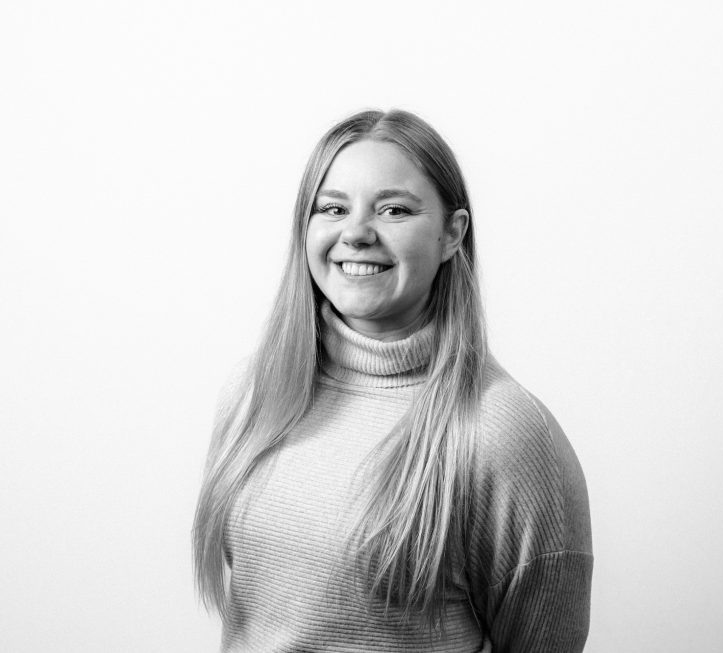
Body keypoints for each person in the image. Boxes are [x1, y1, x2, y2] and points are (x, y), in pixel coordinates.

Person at [192, 109, 593, 652]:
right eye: (333, 208)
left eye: (394, 209)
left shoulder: (505, 433)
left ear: (452, 234)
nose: (356, 233)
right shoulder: (254, 395)